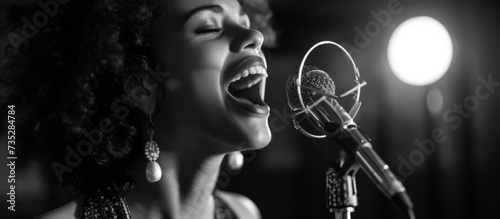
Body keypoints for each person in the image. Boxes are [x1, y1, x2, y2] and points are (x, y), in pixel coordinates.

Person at [1, 0, 276, 218]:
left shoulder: (245, 213)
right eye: (208, 27)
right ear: (144, 88)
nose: (254, 36)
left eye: (246, 22)